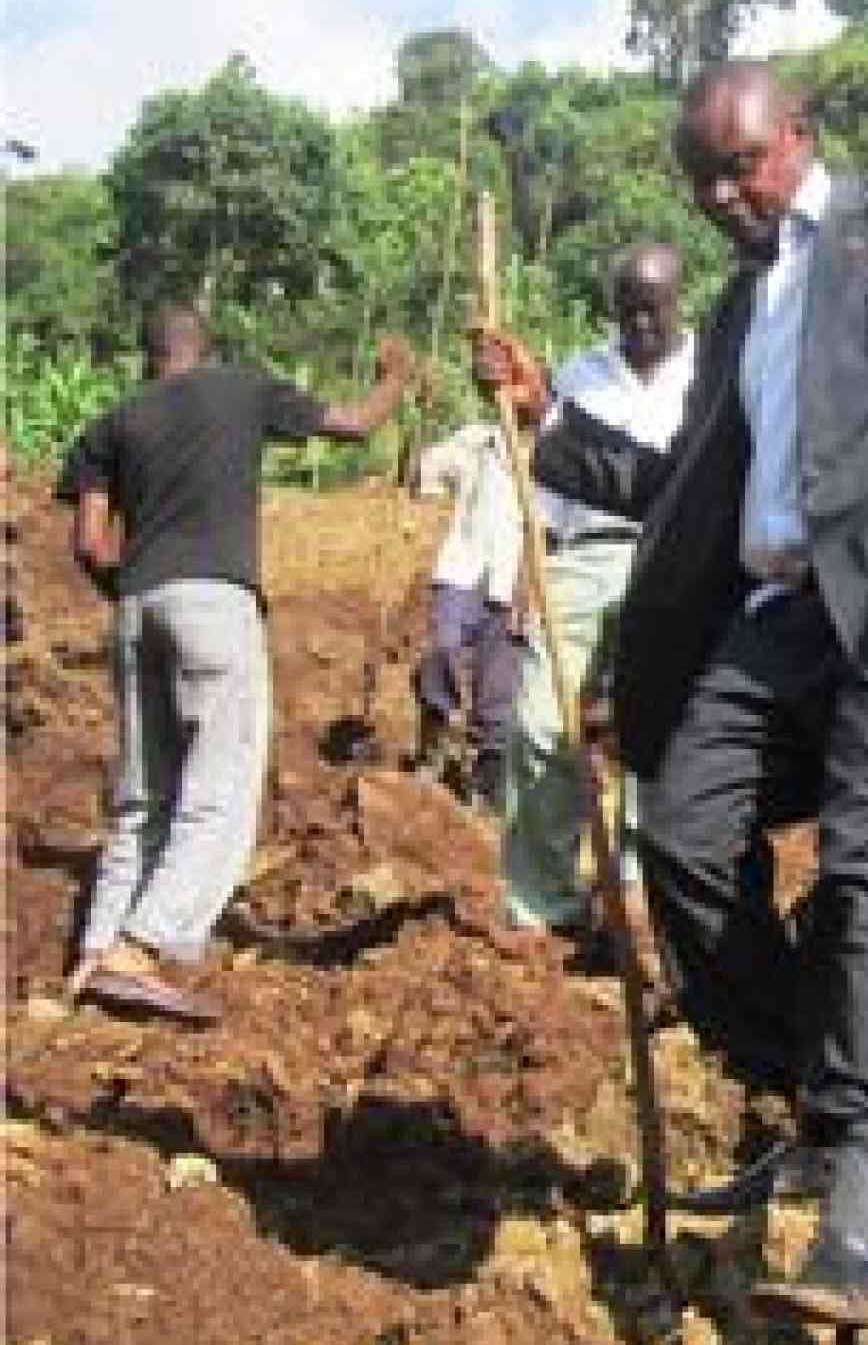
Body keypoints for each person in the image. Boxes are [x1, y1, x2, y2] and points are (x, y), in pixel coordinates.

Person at [515, 61, 868, 1328]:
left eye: (745, 164)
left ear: (799, 139)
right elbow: (686, 478)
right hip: (781, 618)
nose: (727, 194)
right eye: (705, 180)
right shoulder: (736, 313)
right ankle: (806, 1088)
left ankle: (855, 1184)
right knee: (678, 832)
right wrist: (546, 427)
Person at [59, 304, 413, 1022]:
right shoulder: (241, 389)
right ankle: (143, 946)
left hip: (135, 606)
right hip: (213, 602)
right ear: (207, 348)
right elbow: (352, 426)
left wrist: (135, 594)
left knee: (140, 796)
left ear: (145, 356)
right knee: (219, 784)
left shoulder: (111, 424)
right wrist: (395, 381)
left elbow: (91, 545)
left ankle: (94, 958)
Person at [501, 242, 695, 934]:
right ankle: (542, 899)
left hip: (671, 563)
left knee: (655, 724)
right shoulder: (581, 375)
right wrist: (530, 565)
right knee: (538, 724)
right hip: (580, 561)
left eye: (654, 309)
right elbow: (547, 492)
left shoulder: (710, 374)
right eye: (628, 310)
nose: (641, 324)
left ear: (678, 302)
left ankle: (643, 886)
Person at [411, 334, 533, 813]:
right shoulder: (475, 441)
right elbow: (417, 475)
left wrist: (530, 593)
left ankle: (485, 788)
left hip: (512, 586)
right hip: (462, 572)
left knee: (498, 698)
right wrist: (420, 413)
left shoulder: (550, 454)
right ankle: (436, 737)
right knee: (441, 649)